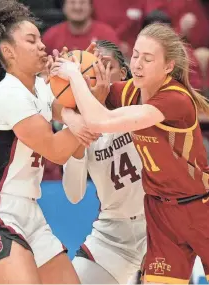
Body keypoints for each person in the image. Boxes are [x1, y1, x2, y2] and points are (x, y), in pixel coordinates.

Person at [53, 23, 209, 283]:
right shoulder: (129, 92)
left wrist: (75, 77)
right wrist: (71, 109)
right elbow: (58, 104)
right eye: (135, 55)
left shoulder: (175, 99)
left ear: (168, 66)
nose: (137, 64)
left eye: (147, 59)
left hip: (202, 206)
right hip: (162, 214)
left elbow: (99, 119)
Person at [0, 0, 97, 283]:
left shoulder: (38, 87)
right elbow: (57, 151)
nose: (42, 46)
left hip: (29, 210)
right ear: (9, 51)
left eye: (40, 39)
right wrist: (89, 118)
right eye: (31, 40)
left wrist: (79, 81)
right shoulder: (10, 94)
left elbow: (64, 108)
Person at [62, 40, 146, 285]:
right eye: (90, 68)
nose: (97, 74)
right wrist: (75, 120)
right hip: (112, 233)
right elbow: (74, 194)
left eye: (105, 66)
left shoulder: (139, 103)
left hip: (158, 223)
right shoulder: (78, 124)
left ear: (123, 73)